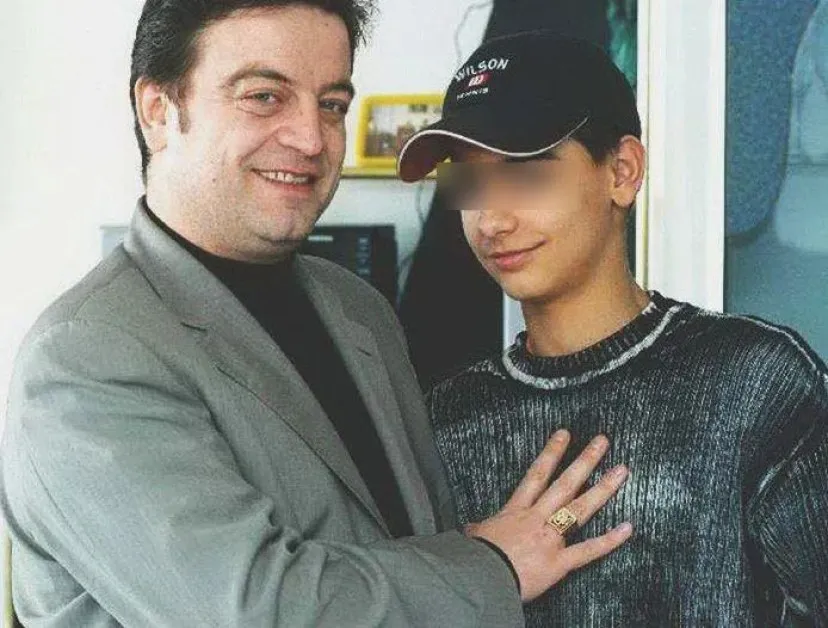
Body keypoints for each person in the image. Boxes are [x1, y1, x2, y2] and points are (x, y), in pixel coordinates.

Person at [0, 3, 636, 627]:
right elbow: (255, 612)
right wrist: (493, 565)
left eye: (331, 104)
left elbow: (417, 538)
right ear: (158, 110)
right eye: (264, 97)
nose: (310, 139)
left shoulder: (357, 309)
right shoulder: (85, 357)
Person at [397, 32, 828, 627]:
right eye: (468, 182)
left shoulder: (757, 383)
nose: (491, 221)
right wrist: (473, 570)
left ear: (622, 171)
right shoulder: (443, 419)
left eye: (526, 173)